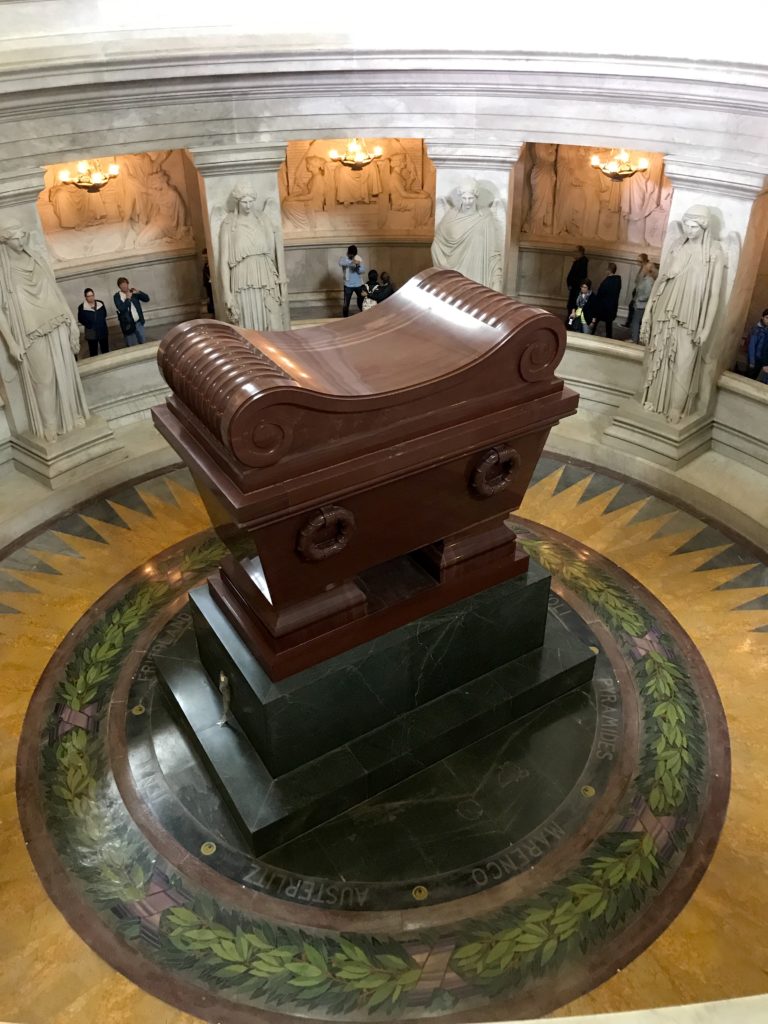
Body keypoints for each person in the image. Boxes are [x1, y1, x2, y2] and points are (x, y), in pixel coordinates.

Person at [0, 220, 88, 442]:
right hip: (30, 331)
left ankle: (72, 414)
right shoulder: (3, 273)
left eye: (22, 235)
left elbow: (56, 292)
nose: (20, 241)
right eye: (14, 237)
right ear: (4, 241)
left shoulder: (37, 259)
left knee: (65, 373)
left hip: (56, 321)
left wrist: (71, 322)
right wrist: (11, 342)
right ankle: (50, 424)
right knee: (44, 378)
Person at [641, 205, 726, 422]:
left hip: (691, 317)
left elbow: (714, 295)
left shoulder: (713, 253)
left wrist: (706, 329)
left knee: (684, 362)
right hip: (665, 310)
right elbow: (660, 281)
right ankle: (653, 397)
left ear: (704, 227)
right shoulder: (678, 246)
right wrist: (647, 313)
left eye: (694, 226)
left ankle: (676, 408)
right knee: (658, 354)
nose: (689, 230)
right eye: (686, 225)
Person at [219, 184, 285, 331]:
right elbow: (223, 262)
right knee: (247, 320)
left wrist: (281, 280)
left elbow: (274, 251)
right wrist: (227, 293)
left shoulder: (263, 219)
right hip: (242, 278)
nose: (248, 206)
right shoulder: (229, 224)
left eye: (251, 202)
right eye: (244, 202)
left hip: (265, 274)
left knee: (272, 318)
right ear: (238, 202)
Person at [431, 180, 503, 290]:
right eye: (464, 198)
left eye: (470, 198)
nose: (467, 202)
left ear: (476, 198)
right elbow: (437, 244)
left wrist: (496, 280)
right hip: (455, 276)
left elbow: (493, 253)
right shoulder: (451, 216)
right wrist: (444, 267)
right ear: (460, 198)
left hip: (478, 274)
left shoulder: (485, 218)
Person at [114, 277, 150, 346]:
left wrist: (139, 292)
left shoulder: (133, 292)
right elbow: (121, 308)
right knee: (132, 346)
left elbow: (147, 299)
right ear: (119, 286)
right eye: (121, 285)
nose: (124, 286)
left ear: (128, 284)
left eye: (125, 283)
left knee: (143, 343)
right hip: (128, 325)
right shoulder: (117, 296)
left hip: (139, 322)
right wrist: (127, 298)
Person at [591, 263, 622, 338]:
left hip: (603, 305)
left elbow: (601, 293)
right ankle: (609, 337)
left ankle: (591, 333)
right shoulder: (618, 281)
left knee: (596, 319)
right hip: (611, 306)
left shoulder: (607, 281)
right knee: (609, 323)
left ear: (609, 270)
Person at [629, 263, 657, 343]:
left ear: (648, 270)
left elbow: (648, 295)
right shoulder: (646, 279)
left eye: (644, 269)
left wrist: (638, 299)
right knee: (635, 322)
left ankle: (634, 340)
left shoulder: (649, 281)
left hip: (642, 305)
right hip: (639, 304)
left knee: (636, 322)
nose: (643, 270)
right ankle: (634, 339)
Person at [77, 287, 110, 356]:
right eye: (89, 296)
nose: (91, 298)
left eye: (92, 295)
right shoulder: (81, 307)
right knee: (93, 352)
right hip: (91, 332)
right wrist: (90, 325)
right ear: (85, 297)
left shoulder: (100, 303)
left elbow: (104, 314)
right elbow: (80, 319)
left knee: (105, 350)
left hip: (102, 330)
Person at [623, 253, 650, 327]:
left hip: (640, 293)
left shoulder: (646, 268)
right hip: (637, 290)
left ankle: (630, 324)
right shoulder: (642, 267)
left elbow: (644, 282)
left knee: (633, 307)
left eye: (639, 261)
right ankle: (630, 323)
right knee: (632, 306)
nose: (637, 262)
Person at [339, 244, 365, 316]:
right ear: (348, 253)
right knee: (346, 304)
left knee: (361, 302)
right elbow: (341, 263)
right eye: (351, 254)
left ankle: (364, 315)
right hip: (348, 285)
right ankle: (345, 318)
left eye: (353, 255)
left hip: (358, 285)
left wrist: (358, 266)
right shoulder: (344, 258)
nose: (352, 256)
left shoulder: (359, 259)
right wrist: (352, 262)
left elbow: (362, 271)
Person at [566, 246, 589, 313]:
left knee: (573, 307)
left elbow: (579, 277)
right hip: (574, 288)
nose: (573, 253)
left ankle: (570, 322)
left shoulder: (582, 263)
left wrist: (571, 284)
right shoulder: (578, 262)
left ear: (580, 252)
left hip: (576, 289)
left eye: (575, 251)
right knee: (571, 307)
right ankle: (570, 322)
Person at [747, 308, 768, 380]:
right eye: (767, 318)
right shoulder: (756, 329)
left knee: (755, 378)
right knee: (749, 377)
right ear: (762, 317)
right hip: (754, 358)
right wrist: (752, 361)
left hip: (762, 360)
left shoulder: (766, 330)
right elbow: (751, 346)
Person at [202, 249, 214, 316]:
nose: (204, 259)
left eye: (205, 257)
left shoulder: (210, 266)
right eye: (203, 258)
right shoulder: (205, 266)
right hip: (208, 288)